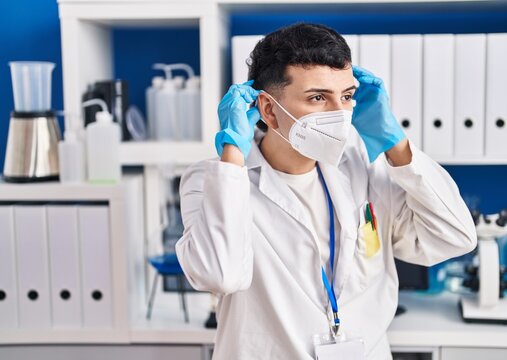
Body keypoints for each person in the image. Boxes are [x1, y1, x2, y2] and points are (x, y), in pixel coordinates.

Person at [176, 23, 477, 359]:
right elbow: (221, 274)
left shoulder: (365, 166)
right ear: (269, 110)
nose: (338, 113)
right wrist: (232, 154)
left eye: (346, 96)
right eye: (318, 97)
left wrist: (397, 145)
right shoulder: (213, 181)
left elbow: (456, 236)